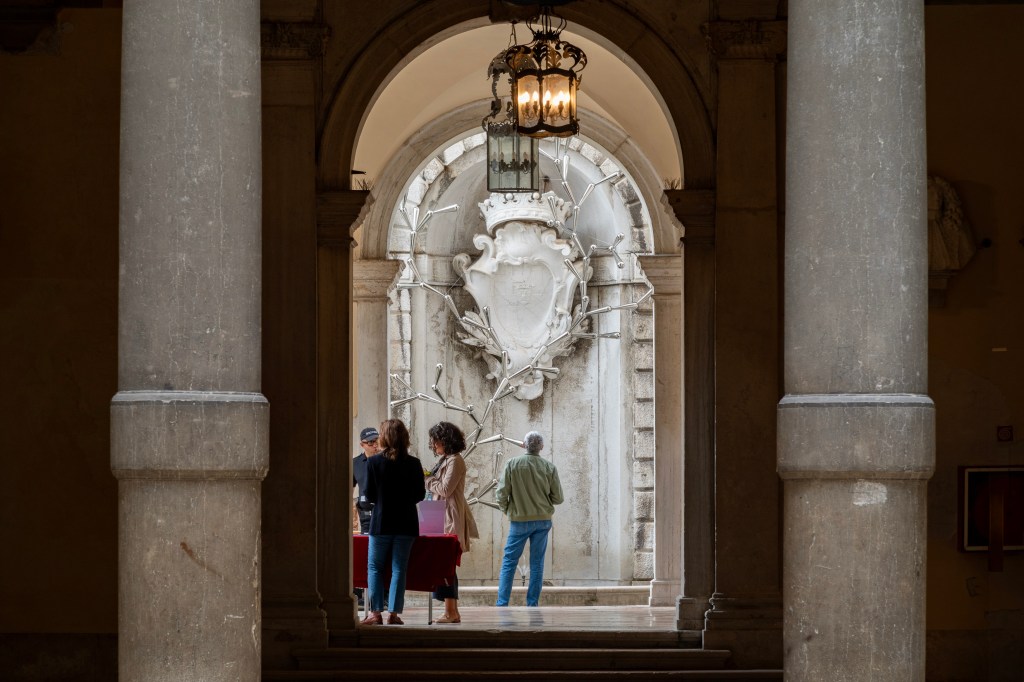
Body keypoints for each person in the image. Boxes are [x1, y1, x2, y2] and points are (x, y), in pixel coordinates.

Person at [361, 419, 426, 626]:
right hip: (406, 523)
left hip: (380, 522)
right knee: (399, 568)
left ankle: (375, 612)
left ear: (383, 437)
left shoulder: (373, 462)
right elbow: (420, 494)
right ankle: (394, 614)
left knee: (375, 567)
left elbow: (369, 494)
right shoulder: (414, 463)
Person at [494, 431, 563, 607]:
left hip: (519, 520)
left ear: (524, 445)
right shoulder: (549, 467)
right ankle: (532, 604)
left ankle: (502, 604)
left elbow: (501, 494)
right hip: (543, 521)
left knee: (509, 562)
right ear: (541, 447)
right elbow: (558, 499)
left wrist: (507, 509)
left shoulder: (512, 464)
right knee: (537, 563)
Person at [424, 421, 479, 624]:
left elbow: (445, 490)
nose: (434, 444)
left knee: (447, 564)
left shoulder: (455, 461)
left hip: (449, 516)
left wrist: (427, 479)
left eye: (436, 441)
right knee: (443, 564)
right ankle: (450, 610)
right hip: (440, 514)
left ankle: (451, 611)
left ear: (446, 440)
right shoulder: (446, 460)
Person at [353, 426, 381, 534]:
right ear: (362, 445)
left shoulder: (387, 460)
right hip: (365, 515)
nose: (375, 445)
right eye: (370, 442)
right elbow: (350, 489)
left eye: (376, 441)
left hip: (384, 513)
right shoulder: (355, 463)